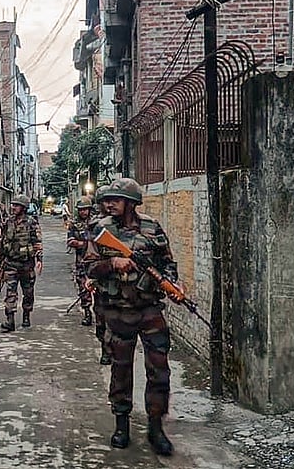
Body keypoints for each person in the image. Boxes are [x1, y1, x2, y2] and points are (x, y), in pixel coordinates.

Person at [85, 177, 178, 455]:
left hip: (149, 310)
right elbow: (89, 268)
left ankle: (155, 426)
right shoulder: (100, 229)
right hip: (117, 311)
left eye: (115, 199)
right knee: (121, 369)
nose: (108, 203)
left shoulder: (151, 227)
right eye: (106, 200)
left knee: (159, 369)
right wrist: (113, 262)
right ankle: (122, 423)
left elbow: (167, 262)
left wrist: (173, 285)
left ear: (132, 203)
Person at [0, 194, 43, 332]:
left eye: (16, 205)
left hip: (26, 264)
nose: (13, 208)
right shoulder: (8, 222)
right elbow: (3, 241)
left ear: (23, 208)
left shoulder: (31, 222)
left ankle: (26, 315)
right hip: (11, 263)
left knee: (28, 292)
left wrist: (39, 260)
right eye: (12, 205)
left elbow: (37, 242)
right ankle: (10, 320)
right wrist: (1, 261)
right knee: (10, 293)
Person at [88, 184, 113, 365]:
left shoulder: (137, 225)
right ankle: (105, 349)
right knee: (101, 320)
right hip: (104, 283)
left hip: (129, 287)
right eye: (105, 201)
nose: (109, 205)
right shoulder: (96, 225)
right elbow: (90, 259)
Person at [67, 196, 96, 327]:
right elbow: (71, 241)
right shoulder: (74, 224)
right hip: (82, 261)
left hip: (97, 261)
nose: (83, 212)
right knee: (83, 288)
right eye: (81, 210)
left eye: (85, 209)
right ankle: (87, 312)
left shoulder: (97, 222)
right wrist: (85, 244)